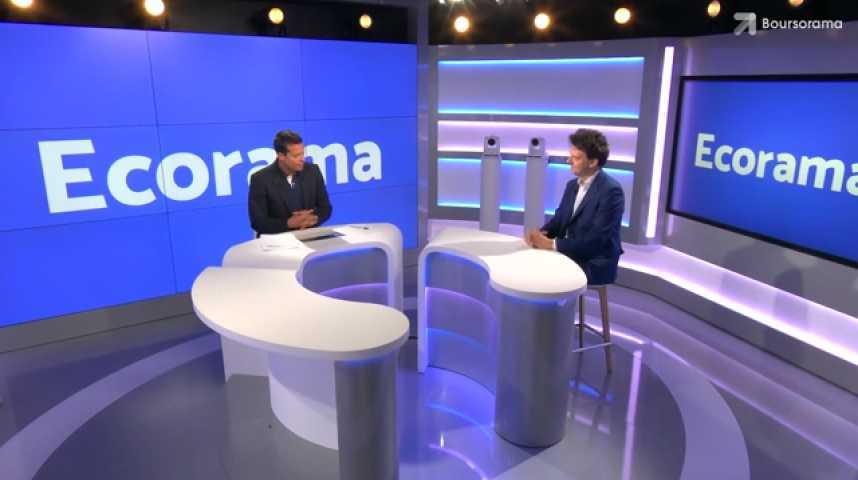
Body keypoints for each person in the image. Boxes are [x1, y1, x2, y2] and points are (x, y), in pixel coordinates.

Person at [526, 128, 624, 285]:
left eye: (576, 158)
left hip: (594, 262)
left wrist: (551, 244)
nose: (568, 161)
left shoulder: (611, 191)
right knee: (529, 261)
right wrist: (540, 235)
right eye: (570, 156)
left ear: (592, 162)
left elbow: (595, 242)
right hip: (572, 254)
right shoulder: (572, 185)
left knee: (541, 274)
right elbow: (559, 221)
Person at [248, 130, 332, 236]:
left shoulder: (313, 171)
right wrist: (288, 223)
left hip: (309, 236)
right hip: (277, 240)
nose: (302, 159)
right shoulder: (260, 179)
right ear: (281, 156)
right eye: (296, 156)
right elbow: (258, 222)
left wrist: (312, 218)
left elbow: (326, 208)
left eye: (303, 154)